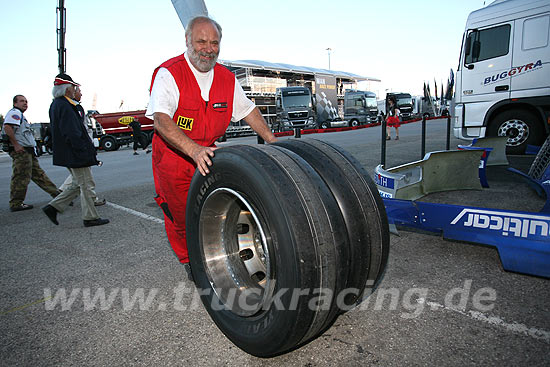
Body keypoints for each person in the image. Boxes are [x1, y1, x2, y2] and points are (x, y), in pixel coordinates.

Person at [146, 15, 277, 268]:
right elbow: (160, 120)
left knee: (216, 211)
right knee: (181, 216)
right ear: (187, 41)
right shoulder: (169, 73)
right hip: (175, 158)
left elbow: (248, 110)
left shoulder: (227, 79)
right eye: (201, 41)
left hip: (209, 155)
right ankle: (190, 262)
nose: (208, 49)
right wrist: (193, 150)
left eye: (214, 43)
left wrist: (273, 141)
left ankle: (215, 256)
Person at [42, 74, 109, 227]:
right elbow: (72, 133)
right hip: (76, 153)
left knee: (77, 184)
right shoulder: (66, 106)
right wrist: (84, 152)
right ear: (67, 89)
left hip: (69, 153)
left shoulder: (57, 105)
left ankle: (53, 207)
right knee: (86, 184)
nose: (75, 90)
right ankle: (90, 217)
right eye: (74, 87)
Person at [2, 95, 60, 212]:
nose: (25, 103)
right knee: (21, 177)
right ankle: (16, 203)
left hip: (27, 152)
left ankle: (58, 196)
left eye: (26, 101)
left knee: (40, 175)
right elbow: (7, 127)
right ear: (15, 103)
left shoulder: (21, 115)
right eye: (22, 101)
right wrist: (16, 145)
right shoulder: (15, 113)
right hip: (21, 152)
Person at [58, 85, 106, 206]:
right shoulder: (74, 107)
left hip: (78, 146)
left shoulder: (65, 105)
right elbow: (78, 130)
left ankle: (61, 195)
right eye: (78, 91)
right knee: (85, 179)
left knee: (78, 177)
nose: (80, 94)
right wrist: (85, 148)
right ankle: (61, 199)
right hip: (81, 147)